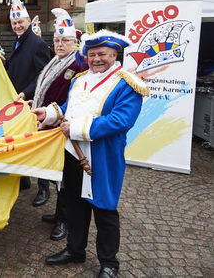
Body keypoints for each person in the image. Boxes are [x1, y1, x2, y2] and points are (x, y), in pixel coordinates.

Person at [31, 30, 148, 278]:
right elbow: (67, 108)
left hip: (102, 156)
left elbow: (120, 120)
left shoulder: (127, 83)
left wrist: (75, 128)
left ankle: (109, 264)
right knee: (74, 205)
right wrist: (50, 114)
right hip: (72, 153)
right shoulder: (80, 79)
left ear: (114, 54)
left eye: (102, 54)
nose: (96, 59)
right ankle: (75, 250)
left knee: (104, 209)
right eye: (92, 54)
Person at [30, 8, 85, 241]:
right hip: (49, 123)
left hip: (63, 127)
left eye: (65, 40)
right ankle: (58, 214)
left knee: (66, 178)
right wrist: (38, 101)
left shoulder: (78, 66)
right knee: (56, 174)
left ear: (75, 41)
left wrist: (50, 114)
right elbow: (46, 89)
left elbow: (70, 101)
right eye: (57, 40)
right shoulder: (55, 60)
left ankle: (64, 220)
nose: (60, 44)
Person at [4, 0, 51, 194]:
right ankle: (22, 179)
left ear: (29, 21)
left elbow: (43, 74)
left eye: (20, 22)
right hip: (18, 101)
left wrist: (25, 92)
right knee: (19, 140)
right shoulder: (18, 40)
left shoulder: (37, 43)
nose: (17, 26)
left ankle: (43, 188)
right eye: (14, 23)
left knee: (35, 143)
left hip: (31, 100)